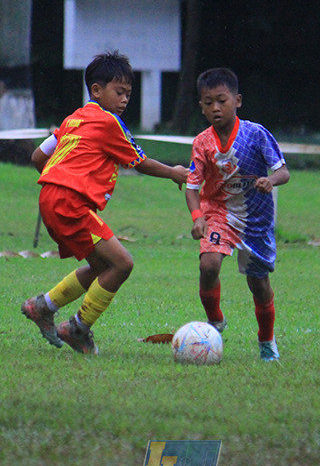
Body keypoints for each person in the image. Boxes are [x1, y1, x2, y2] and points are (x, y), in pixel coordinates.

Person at [21, 50, 188, 355]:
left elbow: (37, 157)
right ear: (96, 90)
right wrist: (174, 172)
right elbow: (140, 162)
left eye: (128, 94)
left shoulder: (73, 119)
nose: (124, 100)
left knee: (102, 267)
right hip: (70, 202)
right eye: (119, 92)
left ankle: (42, 306)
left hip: (50, 199)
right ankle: (77, 328)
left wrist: (58, 177)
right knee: (123, 264)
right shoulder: (110, 122)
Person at [185, 67, 290, 361]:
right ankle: (215, 321)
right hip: (219, 213)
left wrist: (270, 180)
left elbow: (283, 171)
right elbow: (192, 188)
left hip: (255, 221)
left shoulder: (256, 134)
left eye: (222, 101)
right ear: (201, 106)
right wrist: (197, 217)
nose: (215, 108)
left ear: (237, 101)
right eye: (208, 103)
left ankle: (266, 340)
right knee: (208, 266)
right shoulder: (202, 143)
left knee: (259, 285)